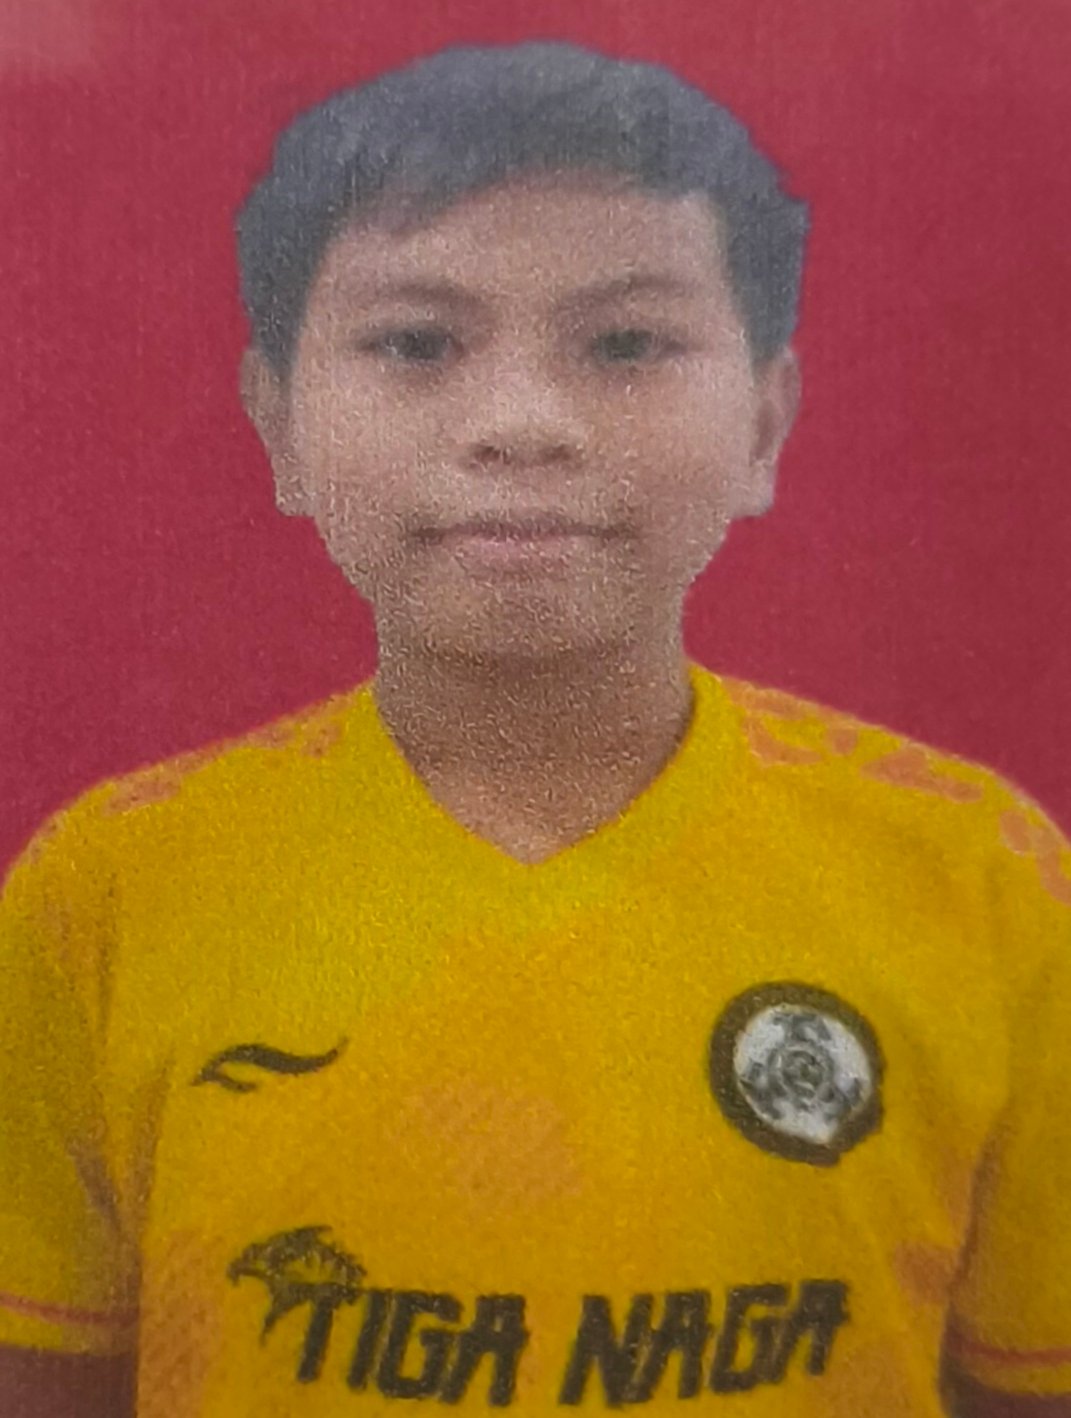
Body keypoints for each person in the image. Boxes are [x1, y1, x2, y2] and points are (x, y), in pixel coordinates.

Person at [0, 38, 1068, 1418]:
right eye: (417, 343)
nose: (520, 424)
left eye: (625, 343)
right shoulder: (112, 893)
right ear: (279, 426)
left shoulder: (977, 882)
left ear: (764, 423)